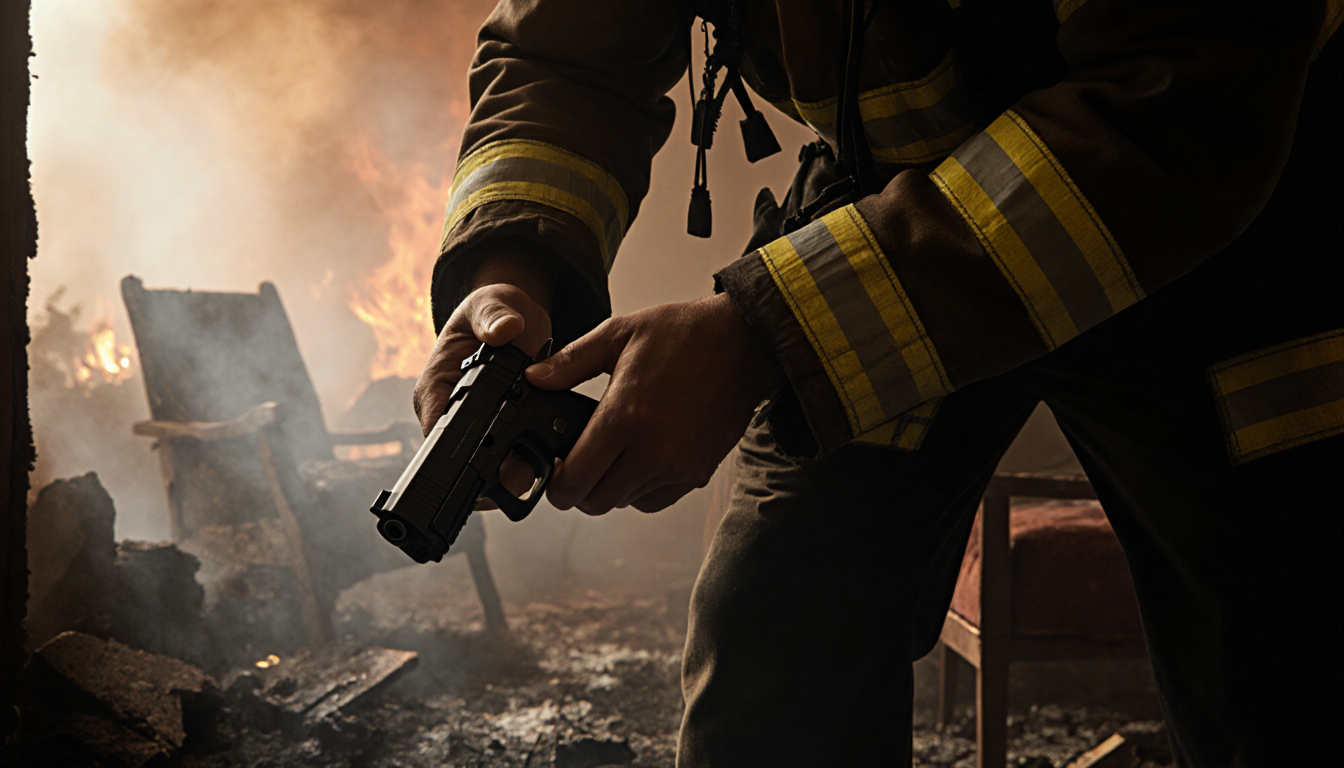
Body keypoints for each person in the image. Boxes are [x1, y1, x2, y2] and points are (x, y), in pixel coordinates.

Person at [413, 1, 1343, 765]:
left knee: (1282, 678)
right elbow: (566, 58)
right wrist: (507, 262)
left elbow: (1181, 105)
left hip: (1212, 236)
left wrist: (761, 337)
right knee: (774, 634)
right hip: (890, 222)